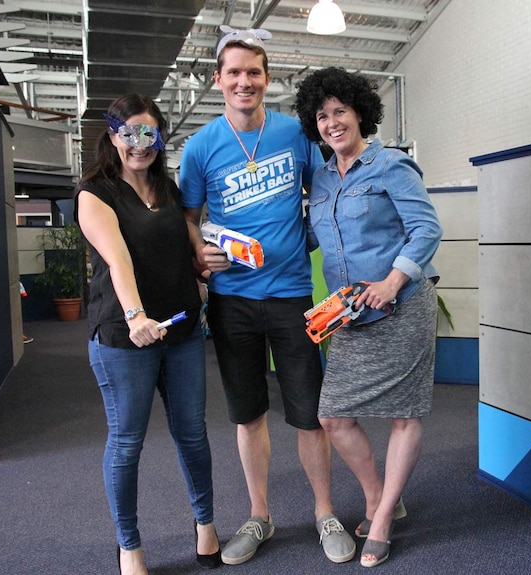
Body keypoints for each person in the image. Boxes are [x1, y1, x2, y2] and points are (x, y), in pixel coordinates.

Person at [178, 28, 354, 565]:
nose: (244, 81)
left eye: (253, 72)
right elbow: (189, 216)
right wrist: (200, 256)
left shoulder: (295, 133)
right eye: (233, 72)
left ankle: (324, 511)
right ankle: (261, 516)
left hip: (292, 293)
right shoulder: (201, 146)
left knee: (310, 414)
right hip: (231, 299)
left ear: (266, 78)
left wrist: (318, 240)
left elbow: (324, 190)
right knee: (248, 415)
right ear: (218, 80)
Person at [293, 67, 443, 568]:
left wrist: (392, 281)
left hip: (401, 304)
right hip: (350, 313)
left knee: (405, 413)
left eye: (340, 111)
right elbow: (318, 237)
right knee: (333, 415)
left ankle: (379, 521)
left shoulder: (390, 166)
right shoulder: (320, 177)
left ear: (361, 113)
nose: (333, 122)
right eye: (322, 115)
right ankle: (382, 497)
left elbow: (425, 228)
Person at [76, 94, 220, 575]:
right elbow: (117, 260)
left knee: (192, 434)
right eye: (128, 133)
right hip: (125, 336)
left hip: (180, 330)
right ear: (113, 136)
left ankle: (205, 526)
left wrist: (208, 261)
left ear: (161, 136)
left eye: (149, 133)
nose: (139, 144)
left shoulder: (169, 189)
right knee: (127, 442)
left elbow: (191, 244)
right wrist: (136, 316)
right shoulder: (95, 194)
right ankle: (129, 546)